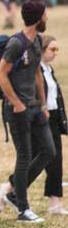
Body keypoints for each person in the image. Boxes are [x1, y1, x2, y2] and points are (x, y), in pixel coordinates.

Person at [0, 1, 54, 224]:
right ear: (38, 18)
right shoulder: (16, 44)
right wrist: (17, 103)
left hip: (36, 107)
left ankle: (13, 194)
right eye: (45, 15)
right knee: (24, 156)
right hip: (17, 109)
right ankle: (23, 209)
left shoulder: (37, 41)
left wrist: (43, 103)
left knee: (48, 151)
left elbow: (37, 73)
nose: (47, 18)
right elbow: (1, 74)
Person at [40, 36, 68, 214]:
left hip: (54, 117)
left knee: (56, 160)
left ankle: (54, 203)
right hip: (41, 118)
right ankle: (10, 188)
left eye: (57, 49)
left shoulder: (49, 70)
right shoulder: (36, 71)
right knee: (39, 158)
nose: (55, 53)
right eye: (52, 49)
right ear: (41, 50)